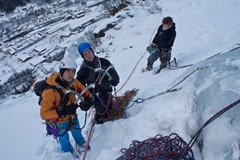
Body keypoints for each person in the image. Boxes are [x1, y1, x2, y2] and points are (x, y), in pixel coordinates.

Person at [40, 57, 93, 153]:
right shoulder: (50, 91)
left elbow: (85, 92)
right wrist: (60, 112)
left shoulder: (73, 82)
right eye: (68, 71)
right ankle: (67, 152)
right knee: (64, 138)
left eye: (73, 71)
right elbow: (44, 114)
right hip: (59, 121)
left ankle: (80, 142)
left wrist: (88, 100)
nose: (71, 74)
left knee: (77, 131)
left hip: (72, 116)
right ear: (61, 71)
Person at [76, 42, 120, 124]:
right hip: (96, 98)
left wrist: (114, 79)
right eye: (85, 54)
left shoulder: (104, 62)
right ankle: (99, 124)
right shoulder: (83, 72)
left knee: (110, 108)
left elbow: (114, 73)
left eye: (89, 52)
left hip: (108, 92)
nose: (88, 56)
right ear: (82, 57)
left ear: (92, 51)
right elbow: (79, 88)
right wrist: (86, 101)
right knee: (102, 114)